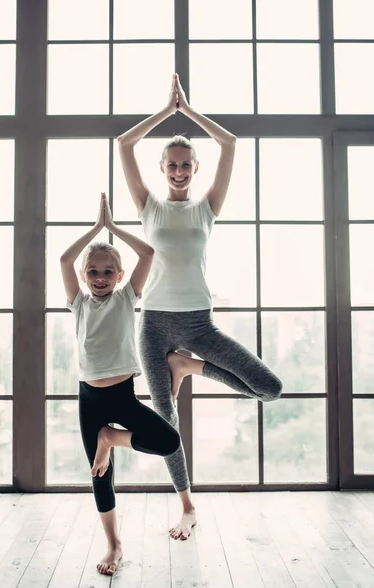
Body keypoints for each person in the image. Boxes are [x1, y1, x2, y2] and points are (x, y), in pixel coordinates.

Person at [117, 73, 282, 540]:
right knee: (165, 423)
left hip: (198, 322)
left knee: (268, 387)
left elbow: (229, 144)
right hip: (153, 324)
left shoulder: (206, 208)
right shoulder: (148, 207)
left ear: (194, 168)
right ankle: (187, 505)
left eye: (186, 164)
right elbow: (123, 144)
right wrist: (163, 113)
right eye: (171, 164)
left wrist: (187, 112)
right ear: (162, 167)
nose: (178, 170)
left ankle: (190, 368)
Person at [60, 193, 181, 575]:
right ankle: (114, 546)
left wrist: (113, 229)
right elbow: (64, 260)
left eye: (107, 271)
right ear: (84, 276)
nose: (99, 278)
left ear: (120, 275)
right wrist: (94, 230)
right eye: (93, 272)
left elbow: (147, 254)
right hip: (90, 399)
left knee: (169, 441)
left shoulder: (127, 296)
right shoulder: (79, 302)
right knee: (100, 477)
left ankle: (111, 439)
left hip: (122, 397)